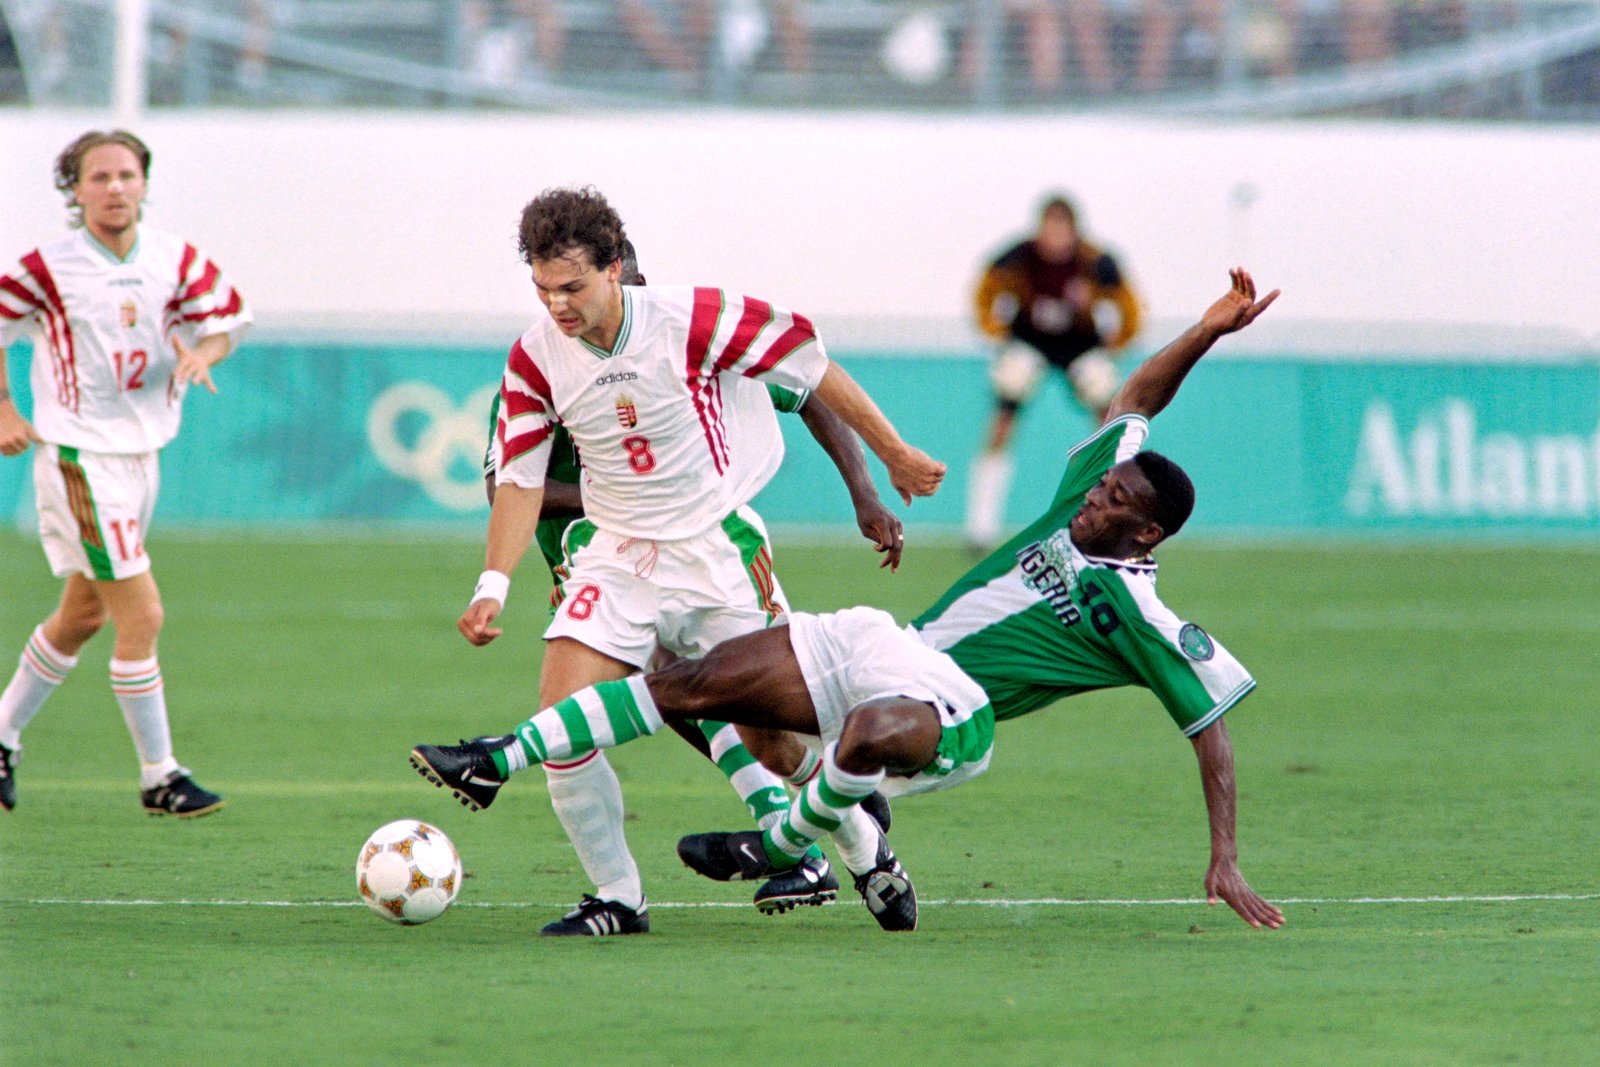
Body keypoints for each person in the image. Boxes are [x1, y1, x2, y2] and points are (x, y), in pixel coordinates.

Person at [411, 268, 1283, 934]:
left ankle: (801, 846)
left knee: (765, 727)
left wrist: (1228, 854)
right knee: (686, 691)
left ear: (1146, 537)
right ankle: (589, 847)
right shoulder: (542, 367)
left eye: (1119, 504)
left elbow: (1209, 726)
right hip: (878, 643)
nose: (1097, 497)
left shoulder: (1136, 617)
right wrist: (1205, 330)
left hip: (931, 700)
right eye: (1106, 488)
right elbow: (1135, 399)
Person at [417, 186, 943, 937]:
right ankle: (618, 898)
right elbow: (520, 476)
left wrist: (892, 455)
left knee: (775, 742)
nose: (557, 305)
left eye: (572, 286)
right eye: (542, 288)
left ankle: (867, 851)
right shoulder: (535, 355)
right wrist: (491, 586)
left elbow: (810, 363)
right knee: (564, 726)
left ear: (614, 267)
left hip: (714, 548)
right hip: (619, 555)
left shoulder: (691, 316)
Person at [0, 129, 252, 816]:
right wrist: (4, 407)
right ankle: (159, 774)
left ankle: (0, 734)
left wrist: (207, 354)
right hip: (80, 459)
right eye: (99, 177)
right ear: (74, 190)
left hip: (142, 459)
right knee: (143, 613)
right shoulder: (50, 267)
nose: (114, 188)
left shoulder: (174, 258)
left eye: (126, 175)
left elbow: (228, 319)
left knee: (82, 614)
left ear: (144, 183)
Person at [967, 194, 1141, 552]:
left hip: (1080, 344)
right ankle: (980, 526)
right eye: (1049, 228)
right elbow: (984, 291)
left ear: (1074, 232)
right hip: (1029, 341)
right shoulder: (1018, 257)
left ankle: (1124, 515)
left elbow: (1129, 304)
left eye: (1062, 229)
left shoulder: (1096, 261)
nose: (1055, 237)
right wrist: (995, 331)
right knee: (1003, 416)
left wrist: (1117, 341)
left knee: (1108, 418)